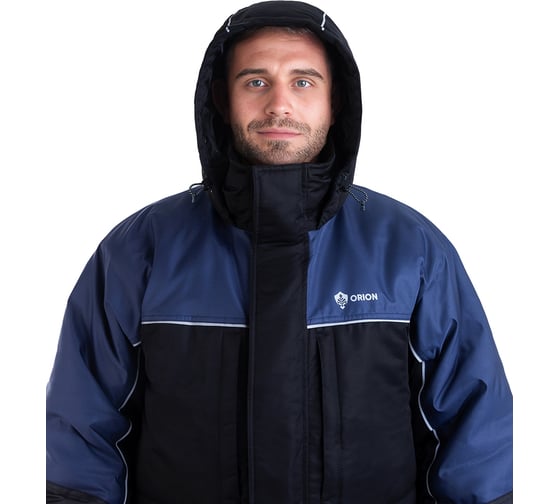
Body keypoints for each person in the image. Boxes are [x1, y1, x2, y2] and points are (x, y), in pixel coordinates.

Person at [46, 1, 513, 503]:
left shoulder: (409, 249)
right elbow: (80, 437)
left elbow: (475, 434)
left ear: (336, 102)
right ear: (222, 100)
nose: (279, 105)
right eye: (256, 81)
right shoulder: (140, 250)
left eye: (303, 82)